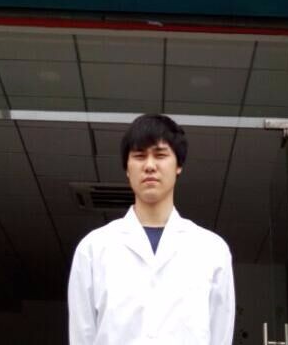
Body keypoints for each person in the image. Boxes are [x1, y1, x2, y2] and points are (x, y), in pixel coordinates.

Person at [67, 114, 235, 345]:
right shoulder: (93, 249)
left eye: (160, 155)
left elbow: (220, 336)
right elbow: (82, 335)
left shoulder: (211, 250)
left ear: (178, 165)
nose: (149, 166)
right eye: (139, 156)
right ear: (127, 168)